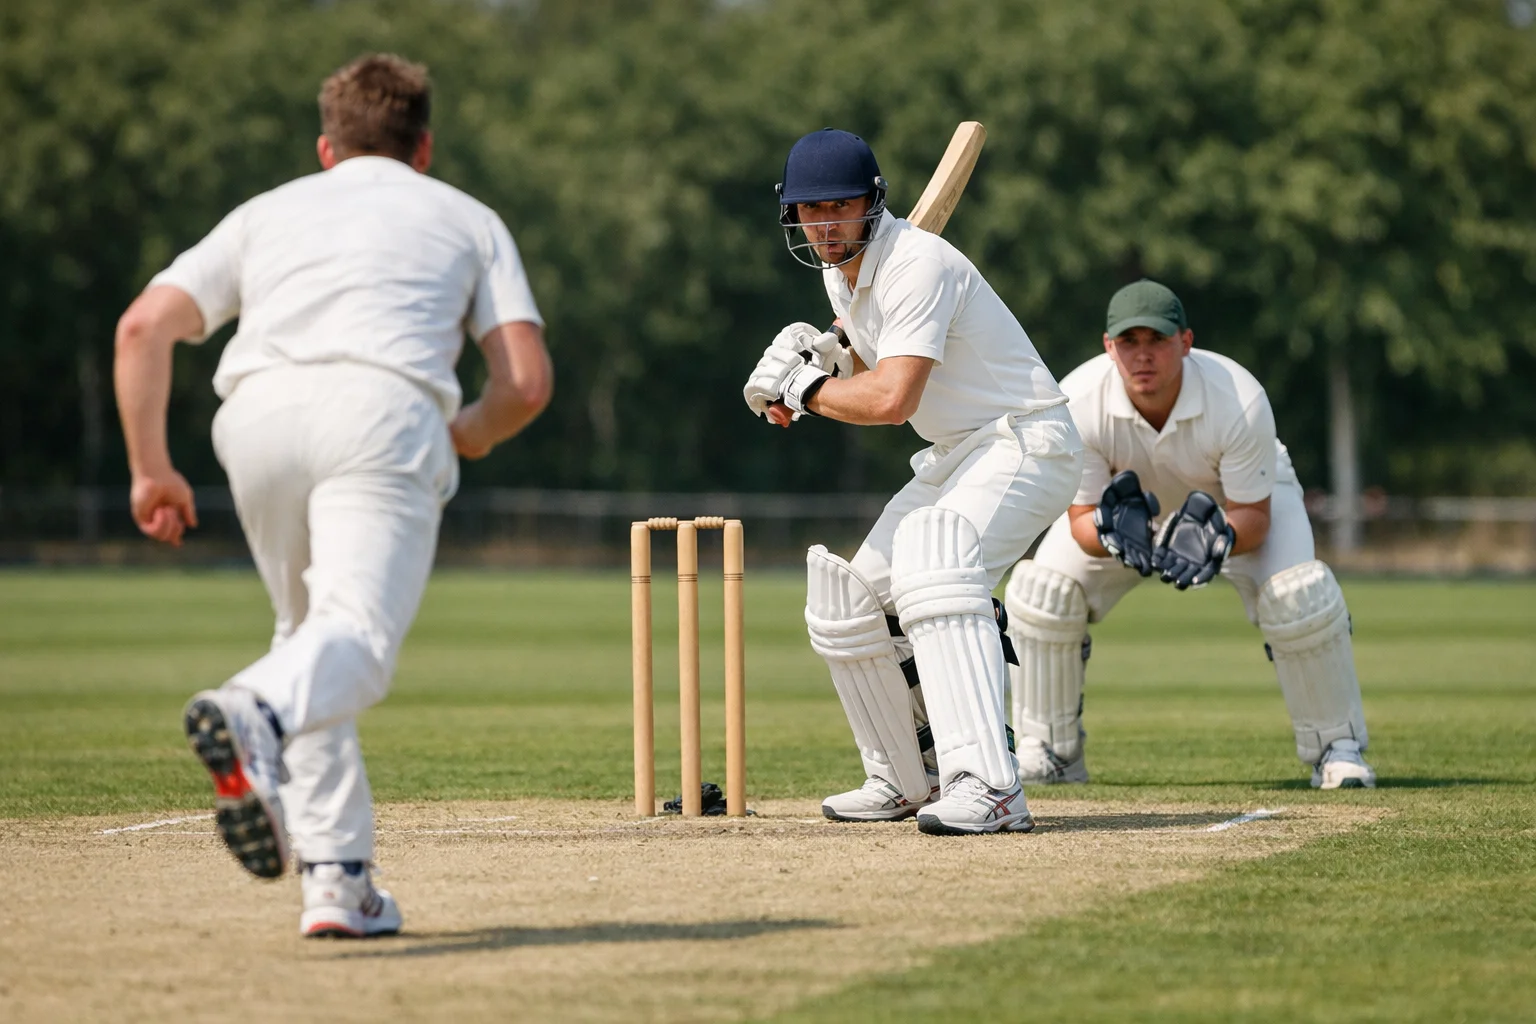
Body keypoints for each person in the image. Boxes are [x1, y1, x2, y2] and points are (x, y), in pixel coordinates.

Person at [113, 53, 553, 936]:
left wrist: (150, 469)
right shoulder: (467, 217)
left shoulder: (265, 212)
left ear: (326, 148)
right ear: (423, 148)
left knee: (310, 635)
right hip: (382, 413)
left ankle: (338, 878)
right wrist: (470, 431)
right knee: (356, 642)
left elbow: (143, 327)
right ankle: (255, 709)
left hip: (255, 418)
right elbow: (526, 382)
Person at [743, 128, 1084, 835]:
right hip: (959, 451)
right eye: (811, 210)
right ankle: (907, 775)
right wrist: (829, 358)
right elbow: (874, 363)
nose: (826, 224)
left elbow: (893, 400)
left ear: (872, 202)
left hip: (1025, 439)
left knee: (936, 567)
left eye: (840, 206)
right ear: (791, 212)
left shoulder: (919, 264)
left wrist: (805, 388)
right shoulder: (841, 274)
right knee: (852, 600)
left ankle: (990, 786)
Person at [1002, 279, 1375, 789]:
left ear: (1185, 342)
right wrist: (1113, 536)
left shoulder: (1238, 398)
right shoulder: (1078, 402)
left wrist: (1217, 538)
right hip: (1129, 515)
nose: (1143, 355)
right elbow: (1081, 517)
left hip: (1232, 509)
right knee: (1040, 594)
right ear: (1109, 346)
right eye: (1129, 341)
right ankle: (1050, 751)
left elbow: (1254, 515)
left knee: (1300, 596)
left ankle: (1338, 747)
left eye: (1156, 340)